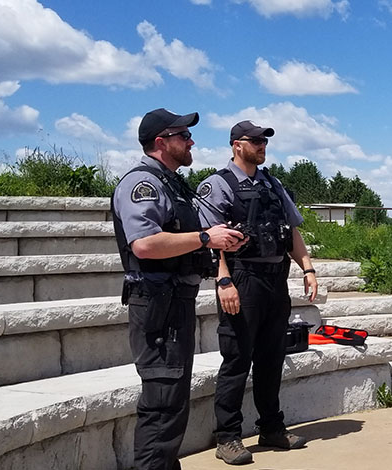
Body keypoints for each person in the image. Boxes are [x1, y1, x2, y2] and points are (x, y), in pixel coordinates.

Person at [111, 108, 246, 470]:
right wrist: (206, 236)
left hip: (174, 303)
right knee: (162, 404)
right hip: (158, 307)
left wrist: (217, 241)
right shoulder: (143, 184)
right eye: (183, 136)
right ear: (161, 142)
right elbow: (144, 244)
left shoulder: (171, 183)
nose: (191, 141)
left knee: (172, 404)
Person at [196, 120, 320, 465]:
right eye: (256, 140)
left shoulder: (272, 183)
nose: (263, 145)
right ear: (237, 145)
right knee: (237, 359)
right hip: (242, 277)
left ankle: (271, 428)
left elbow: (290, 230)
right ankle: (229, 437)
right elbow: (211, 238)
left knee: (271, 358)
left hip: (274, 279)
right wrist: (224, 281)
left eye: (264, 140)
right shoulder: (218, 185)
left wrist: (307, 267)